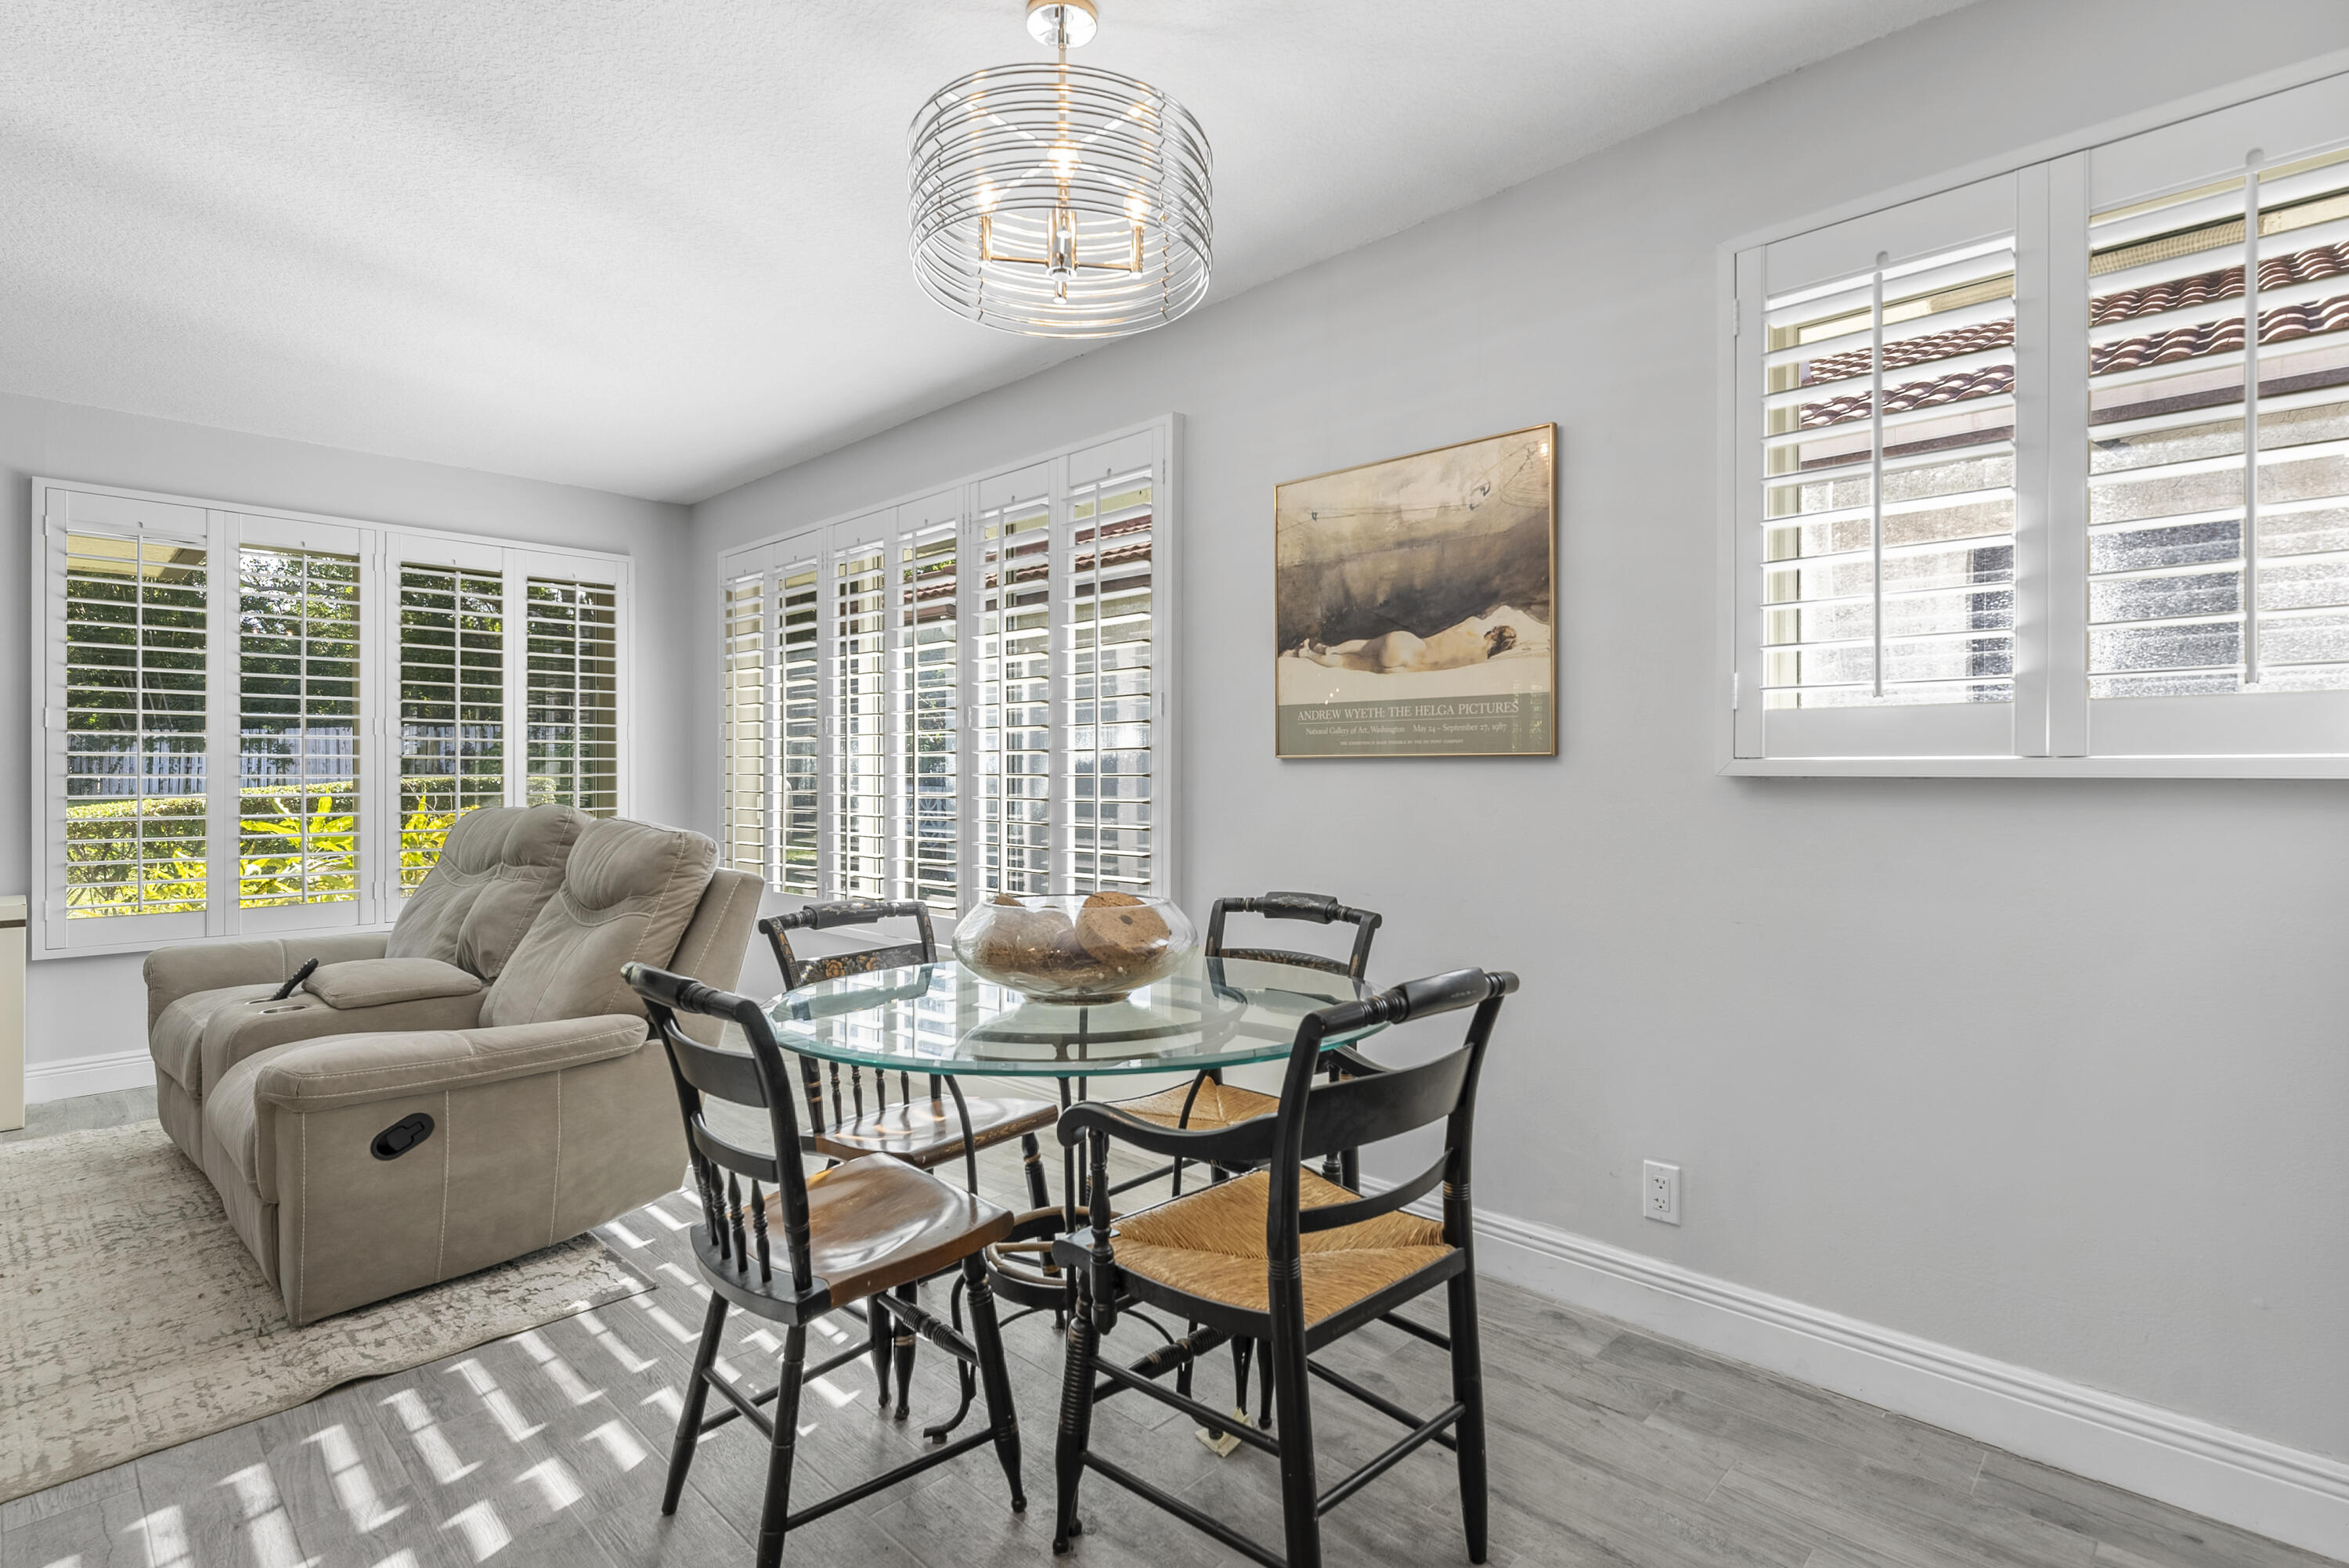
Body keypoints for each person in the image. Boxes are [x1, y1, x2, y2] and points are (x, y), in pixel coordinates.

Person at [1294, 610, 1529, 674]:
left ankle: (1330, 648)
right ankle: (1309, 655)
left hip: (1407, 645)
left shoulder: (1471, 629)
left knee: (1364, 647)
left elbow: (1450, 628)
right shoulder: (1479, 659)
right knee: (1349, 664)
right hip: (1403, 669)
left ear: (1494, 632)